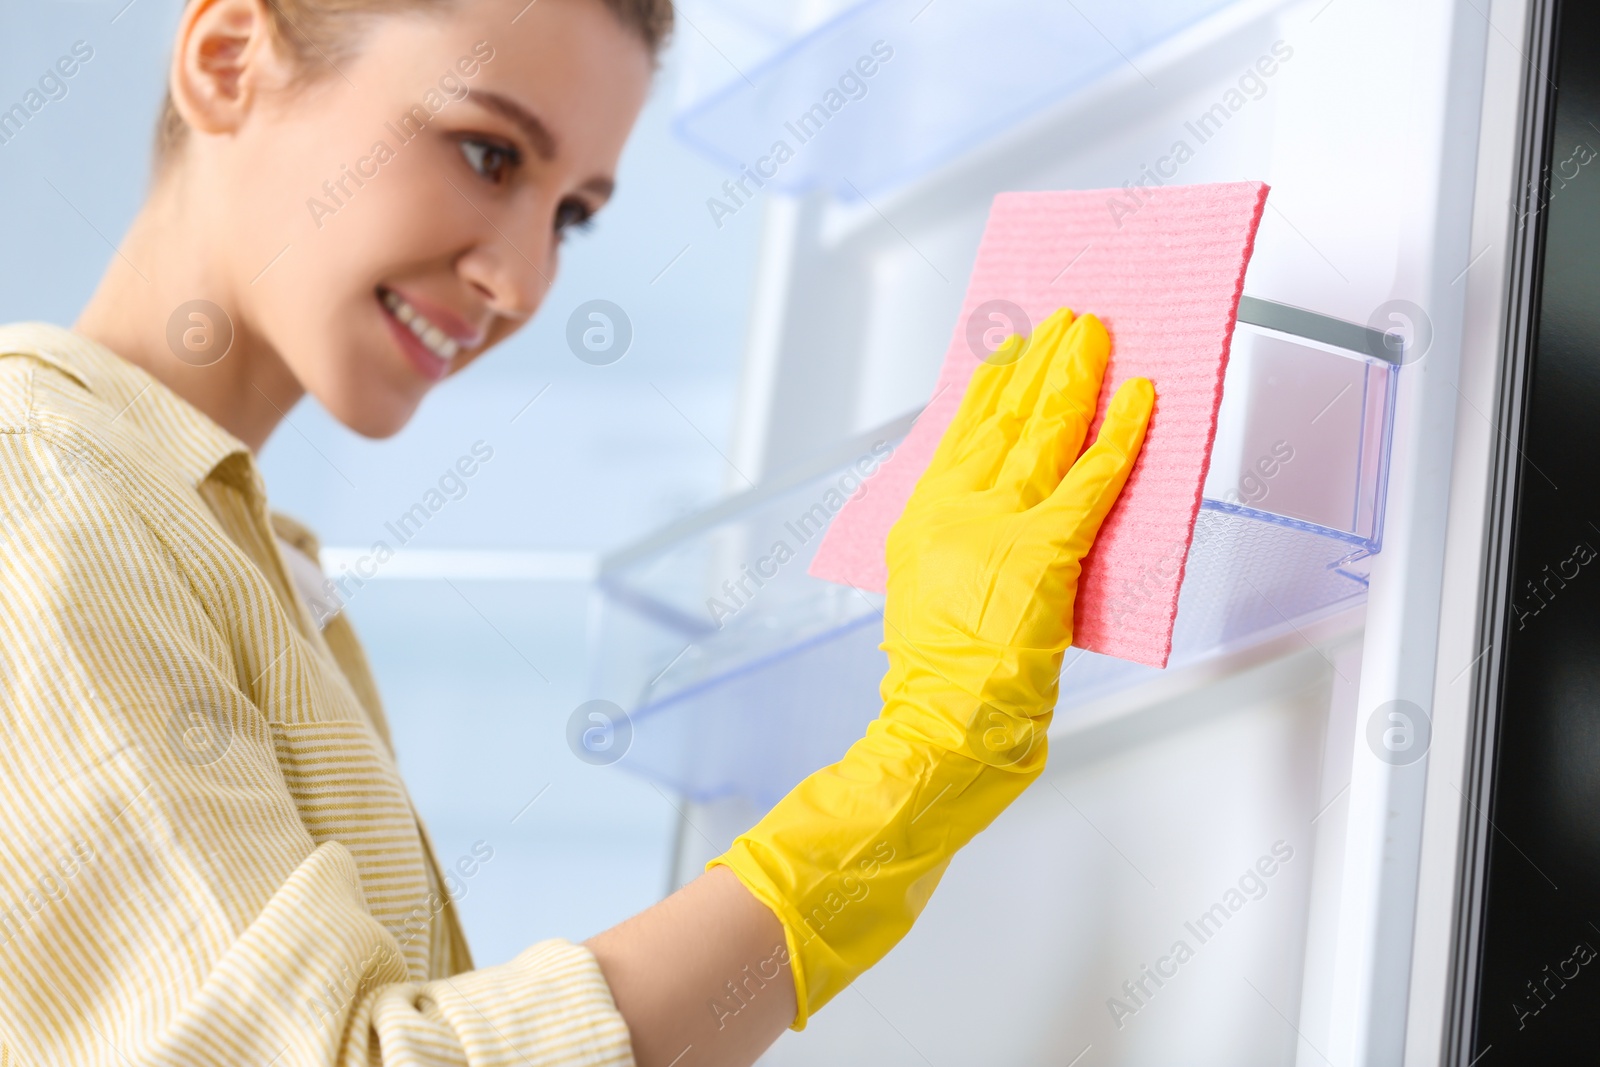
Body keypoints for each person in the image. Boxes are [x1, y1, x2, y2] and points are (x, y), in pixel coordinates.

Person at [0, 0, 1154, 1063]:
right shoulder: (41, 481)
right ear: (228, 62)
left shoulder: (233, 545)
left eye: (573, 217)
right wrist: (923, 758)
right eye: (488, 152)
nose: (520, 278)